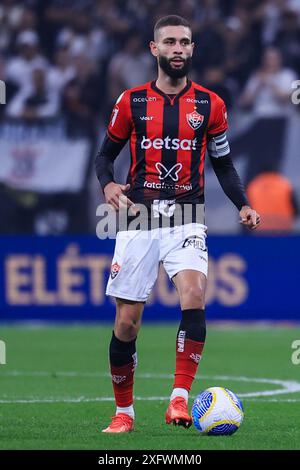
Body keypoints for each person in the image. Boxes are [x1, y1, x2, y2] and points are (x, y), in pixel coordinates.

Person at [95, 15, 260, 434]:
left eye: (185, 42)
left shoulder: (211, 104)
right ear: (155, 49)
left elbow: (222, 162)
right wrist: (109, 183)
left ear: (192, 49)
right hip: (139, 217)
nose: (178, 49)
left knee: (194, 296)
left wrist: (243, 204)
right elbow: (103, 156)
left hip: (188, 215)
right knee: (127, 323)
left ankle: (179, 400)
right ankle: (124, 413)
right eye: (170, 42)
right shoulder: (131, 101)